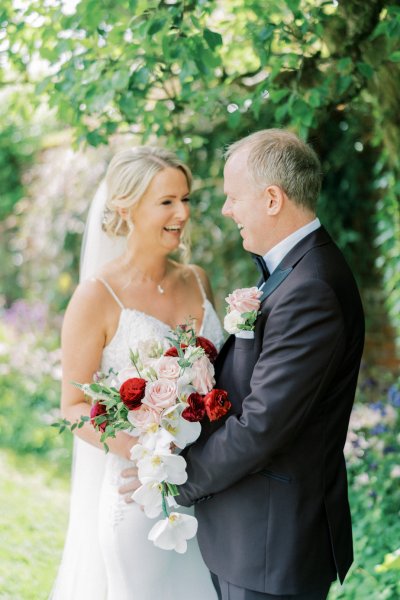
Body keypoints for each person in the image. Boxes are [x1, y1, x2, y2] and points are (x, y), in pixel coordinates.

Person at [172, 129, 365, 599]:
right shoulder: (294, 271)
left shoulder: (311, 289)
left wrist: (179, 476)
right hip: (252, 536)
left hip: (271, 546)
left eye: (233, 197)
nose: (226, 210)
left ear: (273, 199)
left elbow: (263, 423)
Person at [50, 146, 223, 600]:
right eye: (166, 202)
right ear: (125, 208)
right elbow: (72, 407)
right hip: (142, 495)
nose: (182, 213)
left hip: (214, 490)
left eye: (185, 199)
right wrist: (146, 459)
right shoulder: (96, 297)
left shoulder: (197, 279)